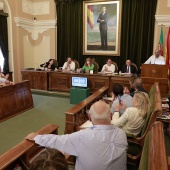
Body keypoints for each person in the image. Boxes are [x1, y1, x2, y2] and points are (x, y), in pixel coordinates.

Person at [26, 100, 127, 170]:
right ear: (111, 115)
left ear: (89, 117)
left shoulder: (83, 136)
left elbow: (57, 140)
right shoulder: (122, 134)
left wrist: (37, 137)